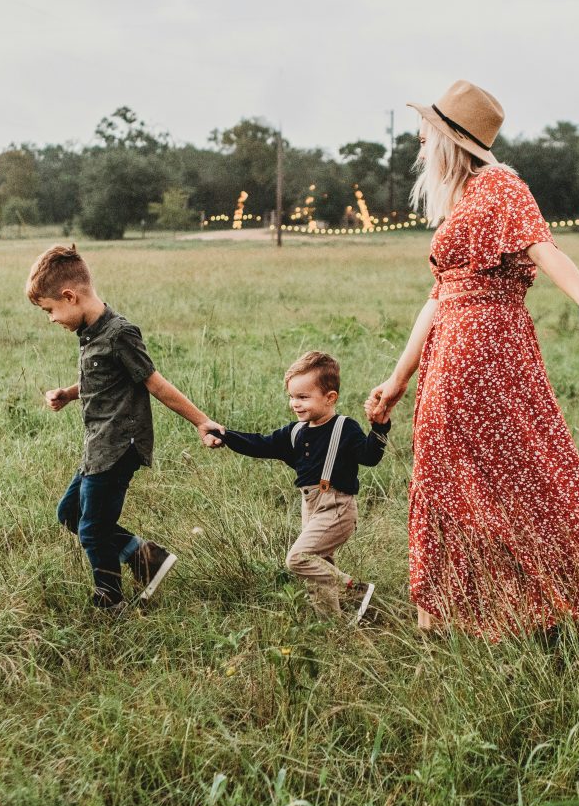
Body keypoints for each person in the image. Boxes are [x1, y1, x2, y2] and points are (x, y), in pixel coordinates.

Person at [364, 79, 579, 643]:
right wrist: (397, 379)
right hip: (450, 350)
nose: (417, 140)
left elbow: (545, 249)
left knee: (528, 477)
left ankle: (560, 607)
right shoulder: (461, 198)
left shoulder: (501, 185)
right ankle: (456, 612)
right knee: (447, 477)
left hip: (486, 350)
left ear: (450, 139)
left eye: (426, 131)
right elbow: (437, 298)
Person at [26, 243, 225, 613]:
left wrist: (202, 422)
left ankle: (110, 601)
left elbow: (155, 383)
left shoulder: (120, 333)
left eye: (50, 310)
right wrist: (69, 394)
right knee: (70, 513)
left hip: (119, 446)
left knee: (92, 529)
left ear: (70, 296)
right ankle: (146, 558)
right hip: (97, 446)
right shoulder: (89, 333)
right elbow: (101, 381)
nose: (51, 319)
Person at [212, 351, 388, 623]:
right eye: (292, 397)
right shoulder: (295, 432)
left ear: (330, 398)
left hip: (338, 508)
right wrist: (225, 436)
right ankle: (333, 626)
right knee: (319, 570)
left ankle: (355, 590)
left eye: (303, 397)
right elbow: (259, 444)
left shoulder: (344, 428)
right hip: (311, 507)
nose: (295, 403)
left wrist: (379, 427)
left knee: (299, 559)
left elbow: (370, 457)